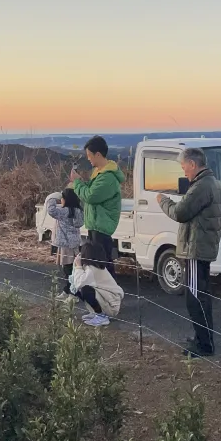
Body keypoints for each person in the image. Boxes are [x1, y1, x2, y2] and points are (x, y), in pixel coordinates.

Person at [163, 147, 221, 357]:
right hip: (202, 247)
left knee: (195, 297)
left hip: (196, 249)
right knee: (201, 295)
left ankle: (204, 345)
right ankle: (202, 338)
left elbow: (181, 212)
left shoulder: (201, 186)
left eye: (184, 167)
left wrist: (163, 202)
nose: (184, 172)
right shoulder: (212, 183)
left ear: (192, 164)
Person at [67, 136, 128, 326]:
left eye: (90, 156)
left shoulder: (108, 177)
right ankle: (99, 307)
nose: (89, 160)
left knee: (101, 267)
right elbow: (89, 193)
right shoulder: (99, 173)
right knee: (97, 266)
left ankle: (108, 305)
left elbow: (91, 196)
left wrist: (77, 183)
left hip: (102, 227)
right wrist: (80, 184)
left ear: (98, 154)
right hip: (96, 225)